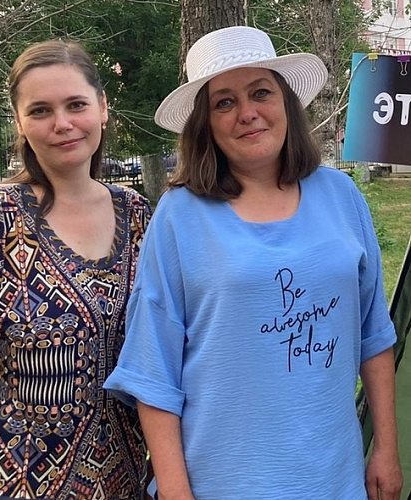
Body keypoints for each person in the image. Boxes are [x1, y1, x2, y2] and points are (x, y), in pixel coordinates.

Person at [104, 26, 403, 500]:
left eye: (260, 92)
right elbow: (152, 369)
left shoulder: (342, 196)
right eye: (224, 102)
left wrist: (386, 447)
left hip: (334, 479)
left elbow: (374, 335)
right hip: (222, 484)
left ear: (286, 102)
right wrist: (176, 492)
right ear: (206, 124)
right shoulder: (179, 216)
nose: (247, 113)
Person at [0, 40, 151, 500]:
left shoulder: (139, 215)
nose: (62, 123)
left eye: (76, 104)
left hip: (125, 483)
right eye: (40, 110)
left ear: (102, 108)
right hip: (14, 485)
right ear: (19, 122)